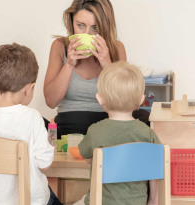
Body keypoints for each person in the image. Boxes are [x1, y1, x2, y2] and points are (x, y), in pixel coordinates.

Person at [0, 43, 62, 205]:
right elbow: (45, 164)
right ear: (29, 89)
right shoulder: (32, 118)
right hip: (30, 201)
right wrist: (50, 145)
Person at [44, 0, 149, 137]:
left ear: (104, 27)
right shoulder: (59, 46)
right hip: (69, 125)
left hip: (109, 124)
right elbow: (51, 102)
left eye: (95, 28)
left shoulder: (116, 48)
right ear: (71, 21)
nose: (87, 34)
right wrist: (69, 64)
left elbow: (125, 99)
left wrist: (107, 64)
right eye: (80, 25)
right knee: (35, 122)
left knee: (145, 118)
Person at [78, 61, 162, 205]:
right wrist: (153, 200)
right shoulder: (148, 134)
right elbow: (156, 167)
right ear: (142, 100)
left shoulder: (96, 131)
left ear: (100, 99)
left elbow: (86, 157)